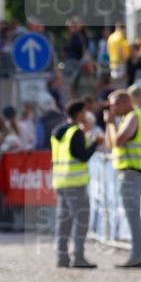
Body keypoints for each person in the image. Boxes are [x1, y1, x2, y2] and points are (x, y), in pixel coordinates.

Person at [51, 100, 103, 269]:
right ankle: (78, 256)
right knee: (81, 219)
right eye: (84, 111)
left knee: (63, 220)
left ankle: (62, 256)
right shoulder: (75, 132)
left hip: (60, 181)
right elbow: (83, 156)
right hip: (75, 183)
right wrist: (95, 143)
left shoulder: (57, 132)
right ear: (79, 113)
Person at [106, 90, 141, 268]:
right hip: (128, 172)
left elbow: (118, 141)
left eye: (113, 104)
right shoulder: (127, 118)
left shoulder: (133, 116)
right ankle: (136, 255)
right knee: (132, 215)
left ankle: (137, 256)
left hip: (132, 172)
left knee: (133, 216)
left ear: (124, 102)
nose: (111, 108)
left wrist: (110, 124)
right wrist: (110, 125)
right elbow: (110, 144)